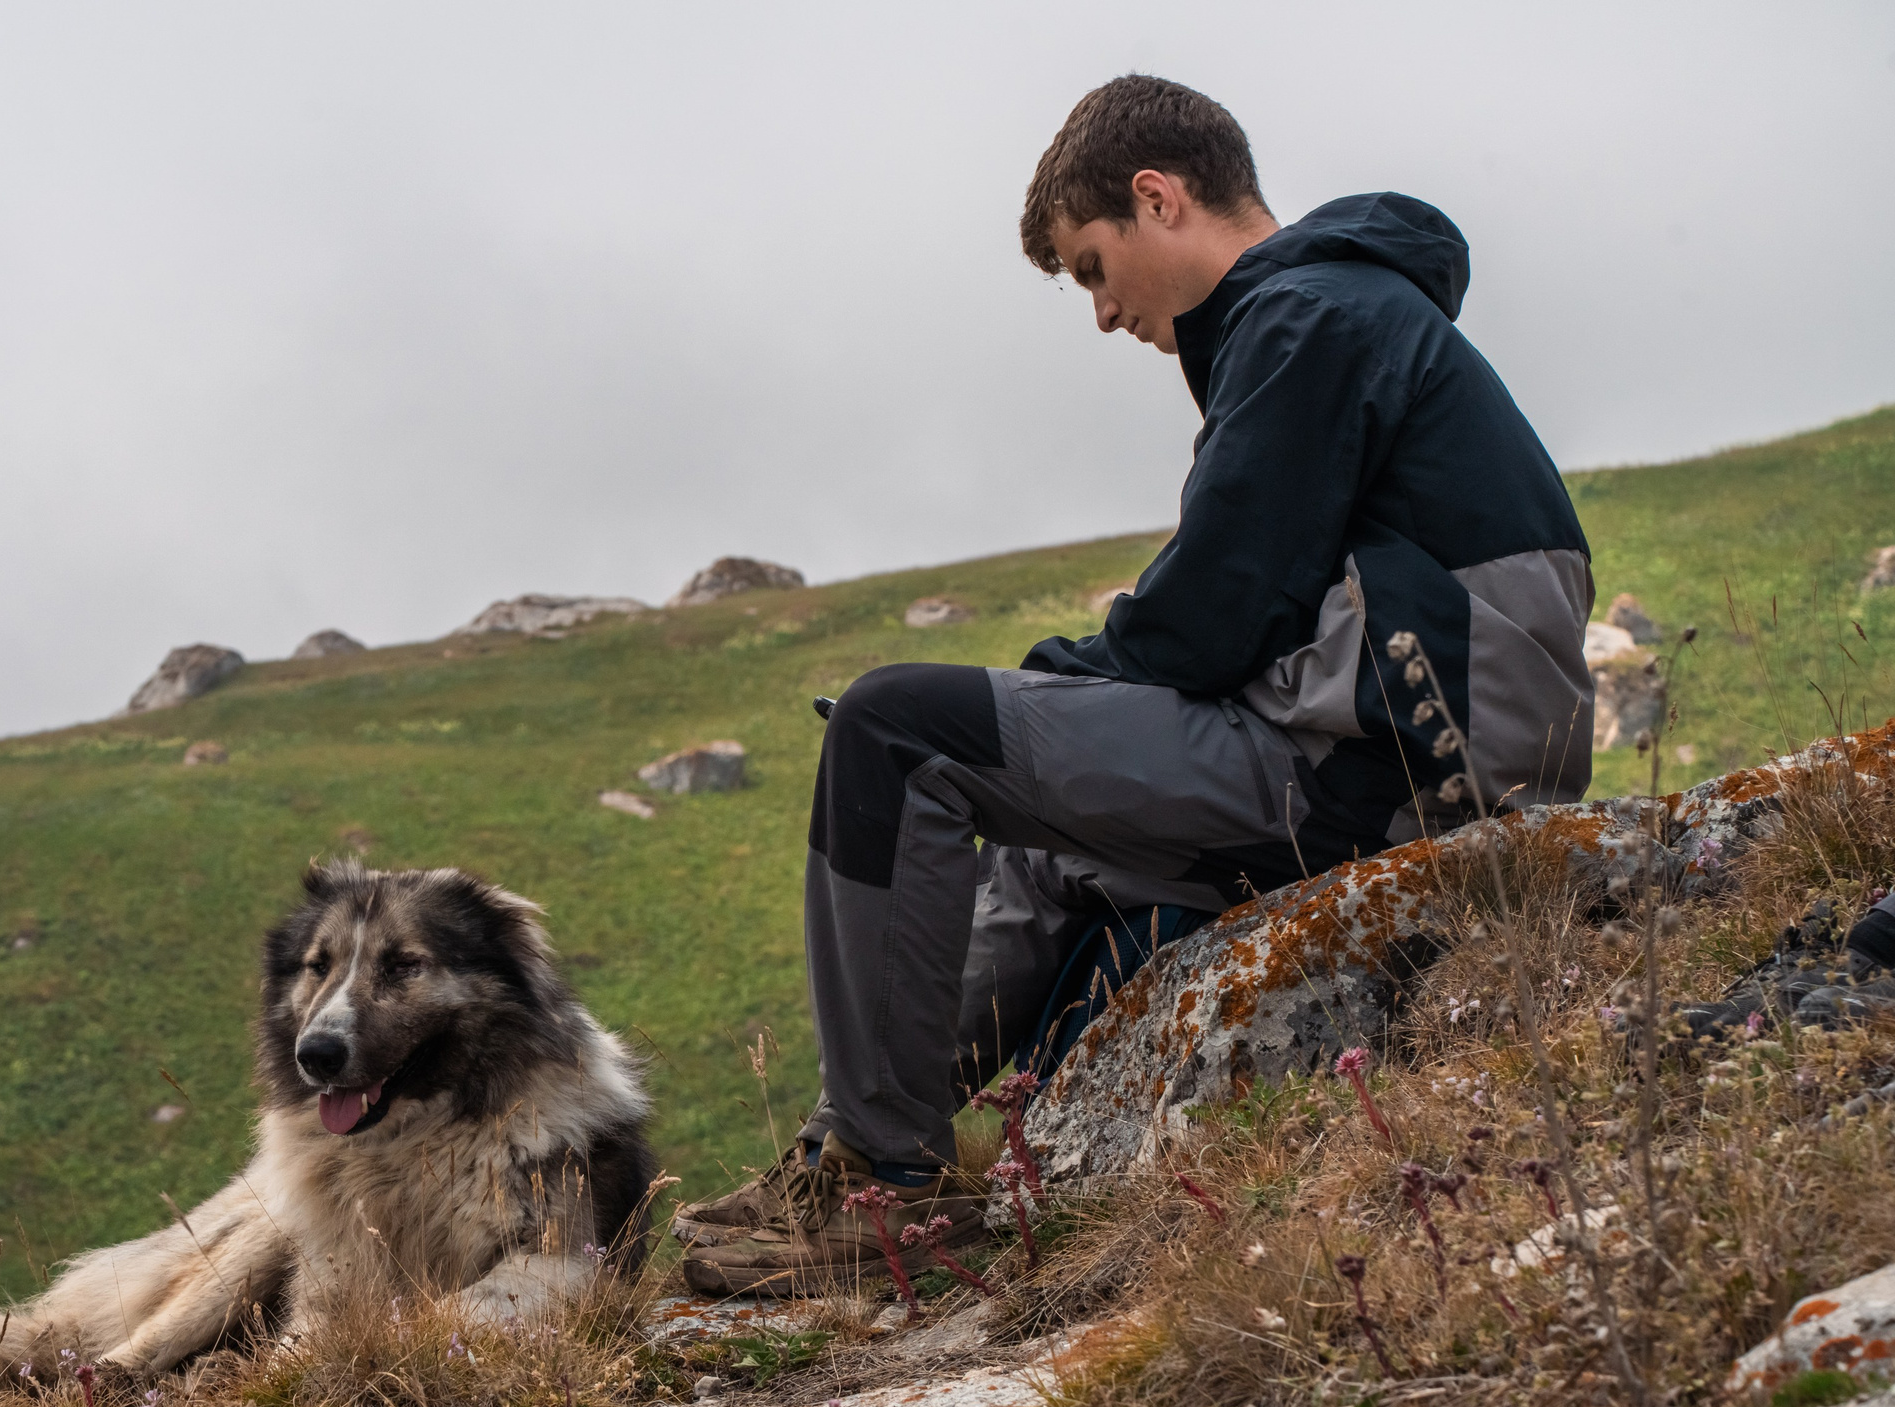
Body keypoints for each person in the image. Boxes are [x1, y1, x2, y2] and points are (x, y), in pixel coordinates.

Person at [677, 74, 1596, 1297]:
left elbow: (1214, 609)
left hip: (1390, 770)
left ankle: (885, 1189)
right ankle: (849, 1169)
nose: (1102, 312)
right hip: (1371, 746)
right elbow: (1246, 606)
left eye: (1092, 267)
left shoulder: (1307, 314)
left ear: (1156, 198)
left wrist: (1054, 678)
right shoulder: (1331, 314)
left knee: (896, 729)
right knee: (1045, 852)